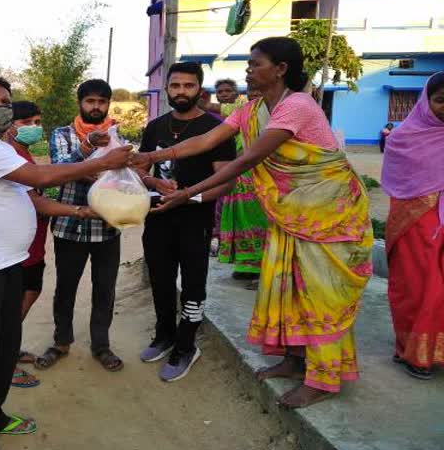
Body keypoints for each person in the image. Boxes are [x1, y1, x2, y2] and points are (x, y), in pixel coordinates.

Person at [133, 37, 372, 408]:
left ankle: (324, 378)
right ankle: (294, 361)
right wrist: (150, 155)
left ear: (280, 69)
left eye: (255, 63)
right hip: (291, 214)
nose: (247, 69)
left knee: (321, 294)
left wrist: (188, 193)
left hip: (328, 214)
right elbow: (204, 141)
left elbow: (244, 162)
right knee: (287, 286)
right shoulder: (252, 109)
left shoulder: (298, 106)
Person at [0, 76, 131, 450]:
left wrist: (83, 210)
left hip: (8, 265)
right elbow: (39, 176)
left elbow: (34, 197)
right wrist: (104, 161)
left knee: (4, 348)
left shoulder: (2, 146)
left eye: (4, 100)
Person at [137, 62, 237, 382]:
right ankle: (164, 335)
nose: (181, 92)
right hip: (157, 218)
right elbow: (140, 169)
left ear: (199, 89)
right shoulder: (155, 127)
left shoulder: (216, 128)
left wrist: (189, 197)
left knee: (193, 284)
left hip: (195, 218)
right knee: (161, 280)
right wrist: (154, 185)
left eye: (188, 86)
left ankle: (186, 346)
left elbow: (226, 181)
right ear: (166, 89)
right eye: (175, 86)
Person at [5, 101, 98, 389]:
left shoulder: (23, 152)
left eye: (37, 121)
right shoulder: (9, 155)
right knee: (14, 304)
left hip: (31, 245)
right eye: (28, 122)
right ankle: (3, 363)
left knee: (29, 293)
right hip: (17, 247)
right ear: (11, 126)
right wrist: (80, 210)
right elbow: (35, 198)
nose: (34, 127)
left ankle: (7, 349)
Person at [35, 79, 125, 374]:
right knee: (66, 287)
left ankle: (101, 345)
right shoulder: (62, 134)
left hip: (108, 225)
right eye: (90, 101)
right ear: (80, 103)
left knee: (105, 288)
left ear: (108, 104)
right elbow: (60, 169)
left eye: (102, 101)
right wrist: (88, 149)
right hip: (70, 224)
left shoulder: (118, 135)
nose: (96, 107)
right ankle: (61, 342)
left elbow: (128, 169)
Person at [381, 72, 444, 380]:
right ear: (426, 101)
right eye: (441, 100)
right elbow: (400, 183)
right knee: (416, 286)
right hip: (416, 225)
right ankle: (413, 351)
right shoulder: (405, 137)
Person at [203, 84, 269, 286]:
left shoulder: (278, 109)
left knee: (261, 219)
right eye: (251, 89)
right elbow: (215, 108)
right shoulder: (244, 110)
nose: (255, 93)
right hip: (240, 176)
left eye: (259, 89)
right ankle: (245, 264)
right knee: (240, 218)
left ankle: (264, 265)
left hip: (265, 176)